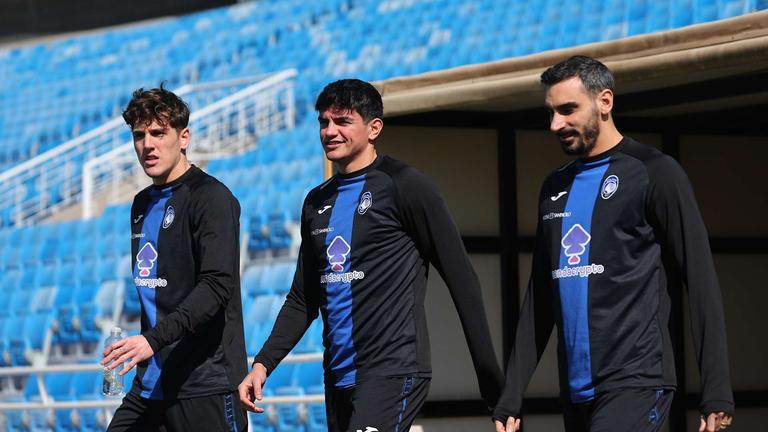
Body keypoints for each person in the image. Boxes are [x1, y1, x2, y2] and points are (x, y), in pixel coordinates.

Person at [238, 78, 504, 431]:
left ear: (374, 127)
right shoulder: (316, 202)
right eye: (324, 122)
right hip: (337, 378)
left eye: (342, 122)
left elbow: (462, 281)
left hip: (393, 370)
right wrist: (263, 364)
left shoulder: (406, 186)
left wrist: (494, 388)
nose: (329, 132)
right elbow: (303, 298)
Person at [492, 56, 734, 432]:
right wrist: (512, 393)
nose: (555, 124)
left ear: (605, 101)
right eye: (551, 112)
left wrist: (716, 388)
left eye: (568, 109)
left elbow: (700, 279)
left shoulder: (654, 172)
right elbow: (540, 296)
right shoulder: (554, 187)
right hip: (575, 391)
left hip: (637, 379)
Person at [101, 85, 248, 431]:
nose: (147, 144)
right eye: (139, 135)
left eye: (158, 133)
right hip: (150, 384)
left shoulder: (211, 198)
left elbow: (215, 287)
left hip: (204, 383)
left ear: (184, 137)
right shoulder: (140, 205)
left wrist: (151, 340)